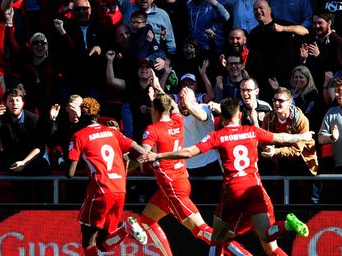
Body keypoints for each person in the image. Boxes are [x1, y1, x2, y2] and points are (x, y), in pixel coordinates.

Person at [139, 97, 311, 256]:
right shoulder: (252, 131)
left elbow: (189, 152)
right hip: (255, 189)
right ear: (240, 115)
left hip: (233, 192)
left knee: (217, 239)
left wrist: (159, 156)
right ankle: (287, 225)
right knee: (267, 235)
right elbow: (280, 138)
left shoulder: (218, 136)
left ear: (221, 118)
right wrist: (302, 136)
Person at [138, 92, 250, 256]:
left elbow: (143, 153)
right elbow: (174, 107)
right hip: (177, 183)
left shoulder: (152, 129)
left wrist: (129, 159)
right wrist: (157, 90)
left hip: (172, 188)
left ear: (153, 111)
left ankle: (241, 254)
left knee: (200, 230)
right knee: (144, 222)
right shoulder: (177, 121)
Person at [66, 97, 150, 256]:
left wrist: (65, 160)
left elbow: (69, 173)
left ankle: (125, 228)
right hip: (120, 189)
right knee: (103, 243)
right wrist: (125, 161)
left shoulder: (79, 136)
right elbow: (141, 151)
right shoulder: (113, 132)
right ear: (97, 115)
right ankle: (125, 229)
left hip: (100, 190)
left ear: (82, 116)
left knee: (88, 240)